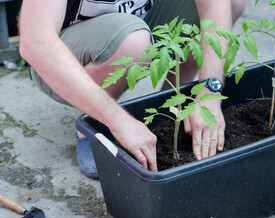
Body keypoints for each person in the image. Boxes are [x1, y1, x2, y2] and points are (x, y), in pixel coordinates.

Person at [18, 0, 246, 178]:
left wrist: (209, 89)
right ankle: (93, 126)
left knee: (230, 3)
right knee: (134, 43)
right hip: (63, 55)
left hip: (138, 19)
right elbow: (35, 42)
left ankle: (173, 102)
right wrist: (119, 120)